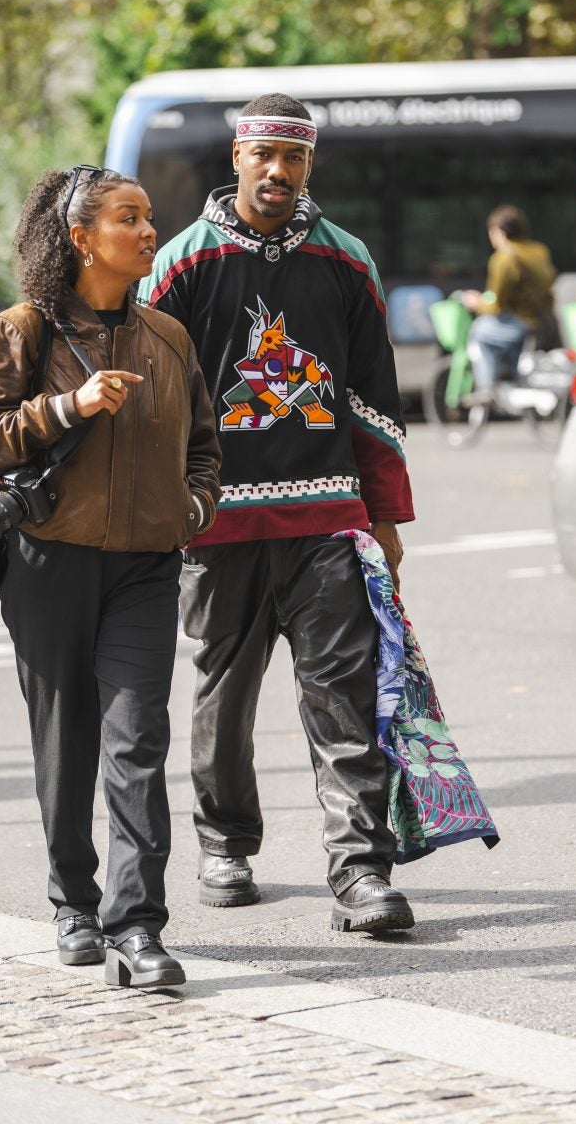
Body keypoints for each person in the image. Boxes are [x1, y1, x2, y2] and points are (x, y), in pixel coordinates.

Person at [140, 93, 417, 934]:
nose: (277, 172)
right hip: (215, 527)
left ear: (308, 166)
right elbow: (152, 404)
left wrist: (386, 516)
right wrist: (164, 513)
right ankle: (225, 845)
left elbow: (373, 396)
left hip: (328, 525)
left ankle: (361, 873)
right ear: (237, 157)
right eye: (263, 154)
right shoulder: (182, 265)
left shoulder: (346, 260)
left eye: (292, 159)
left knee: (343, 695)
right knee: (224, 697)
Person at [0, 165, 222, 988]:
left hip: (145, 568)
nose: (149, 231)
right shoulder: (23, 330)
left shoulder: (169, 337)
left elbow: (206, 448)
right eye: (129, 218)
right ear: (80, 238)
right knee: (66, 744)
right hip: (49, 563)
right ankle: (74, 902)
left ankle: (138, 926)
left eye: (148, 217)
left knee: (138, 738)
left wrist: (193, 511)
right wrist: (68, 408)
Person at [462, 204, 556, 390]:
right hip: (543, 319)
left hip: (520, 322)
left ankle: (486, 390)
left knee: (479, 332)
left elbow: (497, 304)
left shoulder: (503, 258)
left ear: (498, 232)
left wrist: (476, 303)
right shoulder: (540, 250)